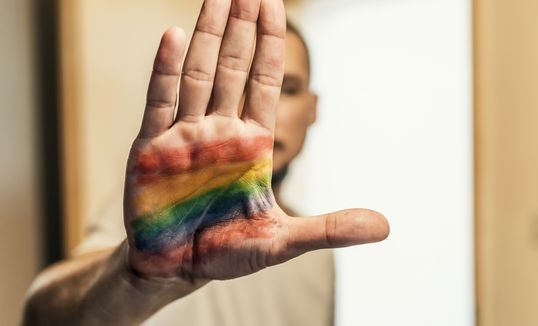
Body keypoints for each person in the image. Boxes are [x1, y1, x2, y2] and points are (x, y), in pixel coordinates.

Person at [23, 0, 389, 325]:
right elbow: (44, 314)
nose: (266, 111)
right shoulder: (171, 212)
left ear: (312, 109)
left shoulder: (315, 259)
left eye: (288, 90)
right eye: (240, 85)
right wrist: (138, 278)